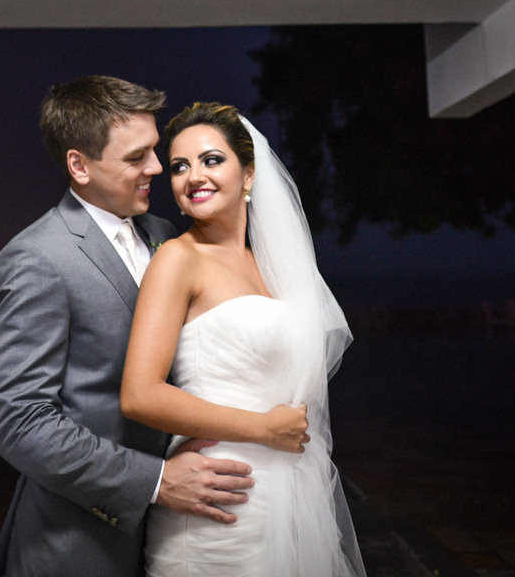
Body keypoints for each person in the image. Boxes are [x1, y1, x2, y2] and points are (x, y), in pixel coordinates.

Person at [0, 77, 256, 577]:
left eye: (155, 150)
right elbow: (21, 423)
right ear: (79, 165)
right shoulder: (37, 258)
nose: (157, 167)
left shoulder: (161, 234)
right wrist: (154, 482)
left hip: (177, 530)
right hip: (77, 538)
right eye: (137, 158)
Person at [121, 102, 366, 576]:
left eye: (212, 160)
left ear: (249, 175)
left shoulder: (274, 266)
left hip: (290, 494)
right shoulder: (177, 259)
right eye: (179, 167)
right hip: (218, 497)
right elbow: (139, 394)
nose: (194, 176)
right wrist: (262, 429)